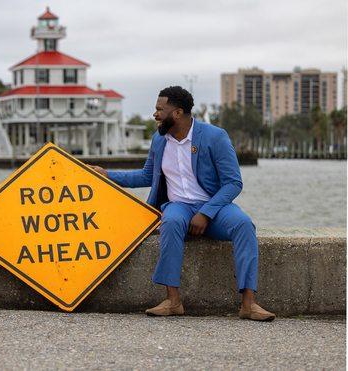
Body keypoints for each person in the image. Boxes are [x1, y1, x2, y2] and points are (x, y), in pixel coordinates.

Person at [91, 86, 275, 321]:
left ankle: (249, 304)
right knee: (171, 220)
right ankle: (173, 301)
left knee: (244, 225)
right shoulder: (159, 140)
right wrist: (108, 175)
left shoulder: (215, 137)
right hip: (178, 205)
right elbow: (148, 176)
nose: (155, 114)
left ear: (177, 113)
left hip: (214, 206)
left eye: (160, 109)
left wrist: (206, 213)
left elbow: (233, 183)